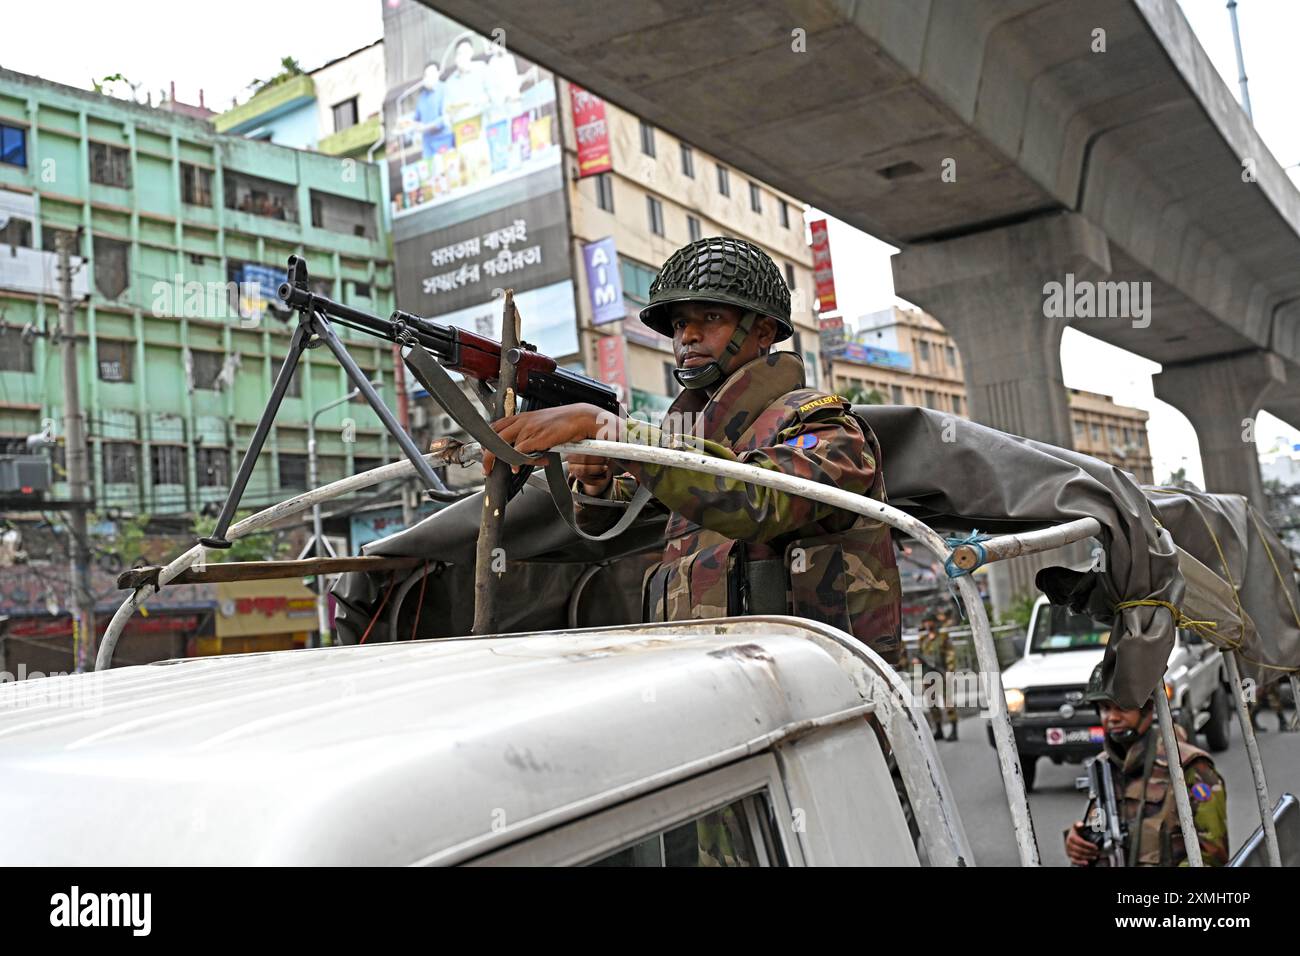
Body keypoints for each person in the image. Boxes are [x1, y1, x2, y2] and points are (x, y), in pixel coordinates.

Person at [481, 236, 903, 665]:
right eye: (680, 324)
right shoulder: (692, 437)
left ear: (763, 331)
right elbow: (639, 517)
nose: (689, 336)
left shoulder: (823, 424)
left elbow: (758, 500)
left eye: (712, 317)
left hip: (827, 677)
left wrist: (610, 429)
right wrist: (598, 483)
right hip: (709, 675)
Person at [1064, 662, 1228, 867]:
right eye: (1105, 709)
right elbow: (1101, 827)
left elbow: (1212, 854)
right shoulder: (1104, 767)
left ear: (1148, 709)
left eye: (1122, 708)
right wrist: (1080, 840)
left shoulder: (1189, 767)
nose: (1113, 718)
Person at [916, 613, 958, 740]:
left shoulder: (943, 637)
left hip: (942, 674)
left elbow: (950, 654)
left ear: (934, 623)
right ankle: (939, 729)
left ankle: (954, 730)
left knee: (948, 703)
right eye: (925, 622)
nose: (928, 624)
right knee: (932, 703)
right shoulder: (923, 640)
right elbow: (919, 655)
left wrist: (950, 671)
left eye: (930, 621)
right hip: (928, 675)